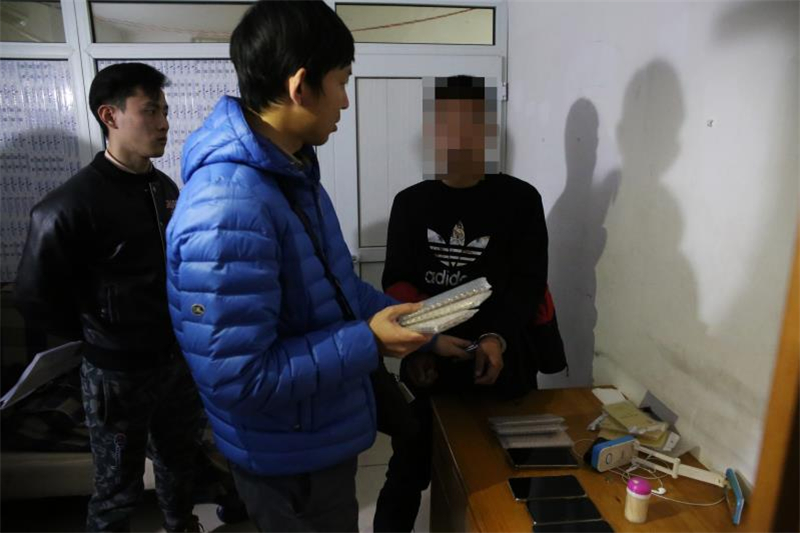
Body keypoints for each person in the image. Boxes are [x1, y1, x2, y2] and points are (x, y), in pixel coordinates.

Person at [164, 2, 457, 531]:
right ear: (301, 87)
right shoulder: (227, 206)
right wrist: (369, 341)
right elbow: (238, 378)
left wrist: (426, 330)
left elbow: (342, 291)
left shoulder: (291, 175)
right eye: (342, 82)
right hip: (286, 459)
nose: (345, 100)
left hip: (314, 436)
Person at [14, 62, 203, 532]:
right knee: (117, 487)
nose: (164, 123)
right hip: (116, 376)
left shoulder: (164, 188)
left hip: (174, 364)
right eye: (150, 111)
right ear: (110, 115)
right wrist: (99, 332)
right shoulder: (69, 205)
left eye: (165, 111)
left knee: (180, 464)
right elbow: (35, 298)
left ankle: (182, 526)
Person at [373, 75, 551, 531]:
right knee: (405, 477)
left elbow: (528, 283)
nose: (456, 136)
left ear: (487, 129)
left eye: (469, 123)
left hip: (504, 363)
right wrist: (423, 345)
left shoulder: (520, 200)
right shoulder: (411, 204)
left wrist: (496, 337)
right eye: (445, 124)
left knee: (511, 485)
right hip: (432, 364)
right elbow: (398, 282)